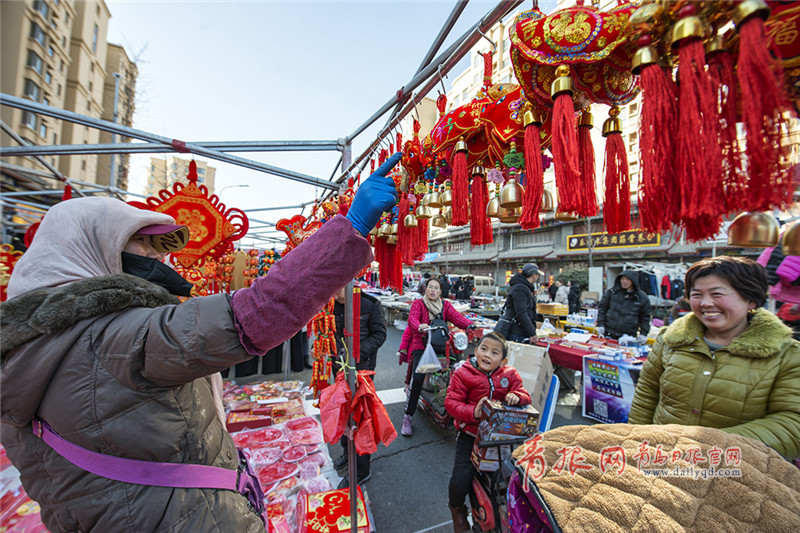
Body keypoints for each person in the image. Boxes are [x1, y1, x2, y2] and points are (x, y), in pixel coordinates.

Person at [0, 153, 401, 532]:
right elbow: (256, 313)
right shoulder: (112, 338)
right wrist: (349, 230)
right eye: (142, 245)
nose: (160, 260)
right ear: (88, 249)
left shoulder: (41, 341)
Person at [628, 256, 800, 460]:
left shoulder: (786, 354)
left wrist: (711, 446)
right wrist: (635, 445)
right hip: (663, 461)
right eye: (697, 294)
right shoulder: (669, 340)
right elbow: (647, 396)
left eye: (717, 294)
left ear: (750, 299)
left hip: (738, 473)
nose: (706, 303)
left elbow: (792, 423)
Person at [444, 332, 531, 532]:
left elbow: (525, 394)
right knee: (461, 478)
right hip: (471, 436)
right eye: (483, 349)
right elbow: (451, 403)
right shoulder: (463, 373)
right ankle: (456, 509)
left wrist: (517, 396)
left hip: (501, 438)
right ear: (475, 351)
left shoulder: (510, 374)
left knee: (508, 479)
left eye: (494, 352)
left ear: (503, 360)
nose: (487, 355)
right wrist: (473, 412)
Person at [402, 277, 473, 437]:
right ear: (425, 289)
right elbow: (412, 319)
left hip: (442, 345)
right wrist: (419, 326)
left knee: (457, 372)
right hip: (422, 346)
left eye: (436, 288)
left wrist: (469, 325)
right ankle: (408, 416)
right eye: (430, 287)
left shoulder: (445, 305)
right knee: (418, 379)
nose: (433, 290)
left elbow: (457, 318)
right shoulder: (418, 304)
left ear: (440, 291)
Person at [331, 286, 387, 488]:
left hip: (362, 370)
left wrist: (357, 352)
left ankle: (362, 469)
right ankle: (348, 453)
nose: (336, 295)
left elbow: (380, 334)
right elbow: (329, 334)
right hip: (338, 369)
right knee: (344, 413)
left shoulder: (370, 304)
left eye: (339, 290)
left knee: (362, 419)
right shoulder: (331, 305)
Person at [596, 269, 651, 342]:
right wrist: (600, 325)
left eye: (627, 279)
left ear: (633, 281)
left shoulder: (641, 298)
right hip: (609, 332)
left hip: (628, 336)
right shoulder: (612, 293)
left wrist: (643, 333)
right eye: (622, 279)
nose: (624, 281)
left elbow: (645, 317)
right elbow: (602, 308)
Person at [502, 263, 542, 344]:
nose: (538, 277)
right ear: (534, 275)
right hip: (517, 332)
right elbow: (521, 312)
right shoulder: (520, 288)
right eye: (538, 275)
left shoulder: (525, 287)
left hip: (520, 330)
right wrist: (532, 333)